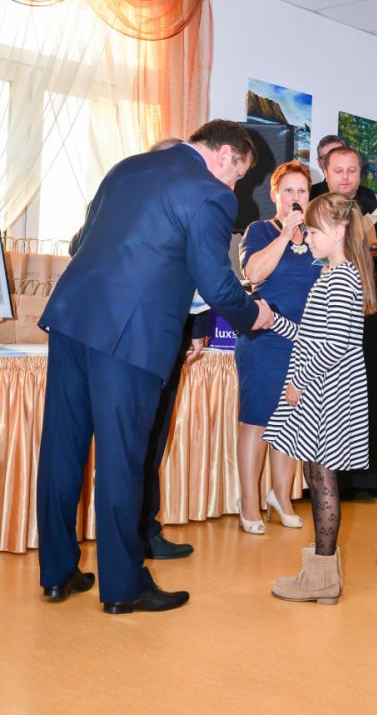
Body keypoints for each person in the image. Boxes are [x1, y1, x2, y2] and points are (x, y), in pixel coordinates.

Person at [36, 119, 273, 615]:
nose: (235, 187)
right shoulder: (210, 193)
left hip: (72, 318)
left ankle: (57, 573)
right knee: (122, 458)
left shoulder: (128, 167)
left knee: (61, 449)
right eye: (239, 175)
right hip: (131, 336)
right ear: (226, 155)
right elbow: (216, 283)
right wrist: (253, 314)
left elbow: (80, 244)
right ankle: (123, 587)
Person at [68, 137, 206, 561]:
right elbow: (78, 247)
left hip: (166, 335)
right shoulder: (122, 202)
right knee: (130, 446)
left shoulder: (181, 203)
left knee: (152, 440)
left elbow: (195, 273)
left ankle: (146, 529)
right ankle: (130, 545)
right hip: (127, 338)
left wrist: (199, 329)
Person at [263, 192, 377, 603]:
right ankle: (321, 574)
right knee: (316, 475)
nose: (307, 238)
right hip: (322, 389)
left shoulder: (343, 277)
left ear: (339, 231)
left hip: (328, 392)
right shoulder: (330, 275)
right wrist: (275, 321)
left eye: (313, 231)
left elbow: (334, 345)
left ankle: (322, 577)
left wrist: (299, 381)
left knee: (323, 479)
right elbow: (312, 335)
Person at [314, 145, 377, 499]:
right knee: (325, 392)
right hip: (324, 311)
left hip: (368, 312)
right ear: (325, 171)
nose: (346, 177)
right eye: (338, 170)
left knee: (370, 389)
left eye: (352, 170)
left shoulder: (376, 208)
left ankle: (367, 478)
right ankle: (320, 480)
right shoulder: (312, 202)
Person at [235, 161, 320, 534]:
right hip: (265, 338)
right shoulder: (259, 230)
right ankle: (248, 502)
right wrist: (286, 233)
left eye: (302, 191)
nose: (295, 197)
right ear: (275, 195)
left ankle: (281, 496)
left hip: (304, 342)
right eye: (288, 190)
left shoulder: (317, 237)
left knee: (291, 421)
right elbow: (253, 274)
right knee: (257, 420)